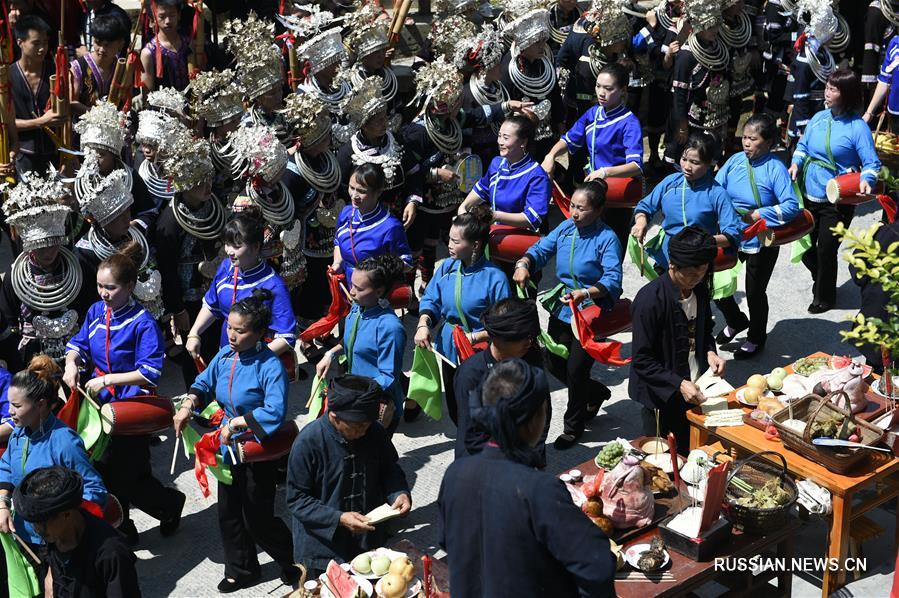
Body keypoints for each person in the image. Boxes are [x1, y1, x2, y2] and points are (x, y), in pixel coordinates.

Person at [438, 359, 616, 598]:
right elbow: (596, 564)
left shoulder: (455, 474)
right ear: (534, 421)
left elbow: (449, 542)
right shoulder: (539, 489)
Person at [173, 289, 296, 593]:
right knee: (228, 512)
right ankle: (242, 569)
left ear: (259, 333)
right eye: (229, 327)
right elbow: (204, 382)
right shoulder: (226, 356)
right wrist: (188, 405)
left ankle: (291, 558)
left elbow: (275, 410)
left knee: (257, 516)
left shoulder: (270, 365)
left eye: (239, 331)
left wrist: (240, 422)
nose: (231, 335)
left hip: (257, 448)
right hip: (228, 447)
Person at [63, 248, 185, 545]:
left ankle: (169, 505)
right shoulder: (95, 311)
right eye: (100, 286)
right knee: (103, 470)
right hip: (98, 407)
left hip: (130, 410)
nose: (103, 293)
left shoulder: (143, 323)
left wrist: (107, 379)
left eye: (111, 287)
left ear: (130, 287)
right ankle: (122, 526)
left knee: (130, 476)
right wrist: (70, 363)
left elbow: (149, 372)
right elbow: (79, 344)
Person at [514, 181, 623, 449]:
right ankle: (595, 392)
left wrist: (586, 293)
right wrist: (524, 263)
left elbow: (612, 278)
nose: (574, 213)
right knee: (552, 360)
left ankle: (573, 427)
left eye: (581, 209)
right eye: (572, 206)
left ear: (597, 211)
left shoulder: (607, 238)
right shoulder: (566, 228)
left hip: (590, 311)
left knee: (576, 369)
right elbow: (541, 249)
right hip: (563, 305)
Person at [286, 375, 411, 578]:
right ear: (334, 417)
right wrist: (339, 518)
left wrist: (399, 493)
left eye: (367, 425)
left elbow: (390, 469)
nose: (364, 431)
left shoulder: (374, 432)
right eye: (357, 426)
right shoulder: (308, 442)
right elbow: (297, 500)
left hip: (367, 545)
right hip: (323, 550)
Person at [789, 68, 881, 313]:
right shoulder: (819, 117)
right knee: (807, 246)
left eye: (832, 89)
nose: (826, 93)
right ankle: (821, 278)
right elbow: (803, 145)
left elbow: (871, 163)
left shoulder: (857, 127)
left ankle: (825, 297)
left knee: (826, 248)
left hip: (837, 198)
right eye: (827, 87)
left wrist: (866, 180)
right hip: (809, 192)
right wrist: (796, 163)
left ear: (847, 94)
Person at [628, 226, 725, 453]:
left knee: (693, 453)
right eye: (691, 274)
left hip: (695, 388)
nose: (697, 279)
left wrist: (710, 351)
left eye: (702, 272)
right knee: (663, 460)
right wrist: (679, 384)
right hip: (662, 399)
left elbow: (704, 330)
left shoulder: (699, 289)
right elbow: (642, 361)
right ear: (672, 264)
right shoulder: (649, 301)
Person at [0, 357, 107, 558]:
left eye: (16, 406)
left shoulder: (64, 442)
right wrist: (2, 503)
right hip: (26, 535)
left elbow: (94, 490)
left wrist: (60, 522)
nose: (9, 412)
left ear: (40, 405)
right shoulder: (19, 434)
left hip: (58, 544)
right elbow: (5, 467)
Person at [713, 114, 800, 358]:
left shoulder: (776, 168)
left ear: (769, 142)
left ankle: (756, 337)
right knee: (716, 282)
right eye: (745, 137)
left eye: (753, 139)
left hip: (762, 237)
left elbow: (791, 206)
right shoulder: (734, 161)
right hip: (731, 233)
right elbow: (716, 190)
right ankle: (735, 319)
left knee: (754, 291)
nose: (746, 143)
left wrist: (759, 214)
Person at [414, 206, 511, 423]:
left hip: (481, 351)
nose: (449, 246)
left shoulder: (494, 278)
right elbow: (431, 299)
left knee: (482, 408)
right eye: (448, 239)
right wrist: (423, 324)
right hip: (450, 347)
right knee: (457, 407)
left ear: (475, 245)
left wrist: (476, 337)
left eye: (456, 242)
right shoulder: (446, 267)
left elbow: (504, 323)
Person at [542, 62, 643, 247]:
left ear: (622, 90)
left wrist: (605, 172)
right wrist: (550, 156)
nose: (601, 93)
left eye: (608, 88)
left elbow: (636, 166)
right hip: (593, 191)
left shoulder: (629, 122)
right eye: (598, 86)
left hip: (615, 197)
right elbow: (570, 138)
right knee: (588, 246)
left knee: (611, 248)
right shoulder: (592, 114)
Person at [153, 131, 225, 388]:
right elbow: (166, 268)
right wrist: (177, 308)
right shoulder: (170, 222)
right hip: (188, 296)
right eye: (199, 182)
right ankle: (198, 397)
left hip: (215, 286)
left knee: (219, 342)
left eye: (208, 179)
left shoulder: (212, 206)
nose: (207, 186)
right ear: (185, 185)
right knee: (195, 348)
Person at [13, 466, 141, 598]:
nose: (37, 529)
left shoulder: (111, 553)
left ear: (66, 514)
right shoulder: (56, 534)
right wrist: (50, 578)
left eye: (41, 522)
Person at [185, 214, 297, 360]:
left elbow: (286, 337)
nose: (229, 251)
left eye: (237, 246)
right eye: (227, 244)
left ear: (256, 247)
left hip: (256, 366)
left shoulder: (273, 285)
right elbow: (212, 305)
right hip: (226, 357)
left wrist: (251, 361)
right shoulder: (226, 268)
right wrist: (194, 333)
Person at [316, 255, 407, 433]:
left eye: (359, 288)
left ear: (379, 291)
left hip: (374, 405)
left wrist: (354, 394)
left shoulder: (390, 327)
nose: (351, 291)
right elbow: (352, 340)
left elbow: (388, 377)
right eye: (352, 284)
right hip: (355, 397)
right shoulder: (358, 308)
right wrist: (330, 354)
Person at [453, 297, 549, 464]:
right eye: (521, 337)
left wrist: (532, 458)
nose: (529, 342)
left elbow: (542, 415)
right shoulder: (471, 374)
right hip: (483, 465)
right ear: (497, 338)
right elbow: (471, 433)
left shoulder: (531, 361)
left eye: (530, 336)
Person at [631, 133, 741, 268]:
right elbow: (645, 206)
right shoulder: (670, 182)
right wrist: (641, 222)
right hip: (666, 258)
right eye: (684, 159)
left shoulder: (717, 193)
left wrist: (703, 242)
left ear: (708, 164)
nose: (687, 166)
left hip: (697, 264)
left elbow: (732, 234)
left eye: (695, 162)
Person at [457, 115, 551, 234]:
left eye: (506, 138)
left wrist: (496, 216)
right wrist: (463, 208)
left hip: (521, 243)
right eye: (499, 136)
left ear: (523, 142)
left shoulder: (537, 176)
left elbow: (532, 218)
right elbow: (481, 190)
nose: (500, 142)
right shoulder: (497, 163)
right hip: (494, 236)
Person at [332, 163, 413, 284]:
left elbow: (406, 262)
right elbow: (338, 241)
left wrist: (376, 272)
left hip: (374, 290)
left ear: (378, 192)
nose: (354, 195)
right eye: (351, 188)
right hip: (347, 283)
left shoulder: (390, 226)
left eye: (361, 191)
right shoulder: (346, 213)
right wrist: (337, 263)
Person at [10, 15, 61, 176]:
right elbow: (5, 123)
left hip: (54, 153)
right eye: (36, 43)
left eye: (45, 42)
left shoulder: (54, 71)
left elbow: (64, 116)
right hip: (22, 155)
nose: (42, 48)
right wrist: (41, 122)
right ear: (20, 42)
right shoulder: (7, 77)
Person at [70, 13, 128, 113]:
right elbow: (72, 102)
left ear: (121, 44)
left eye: (107, 45)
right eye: (97, 43)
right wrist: (96, 114)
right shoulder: (78, 67)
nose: (101, 49)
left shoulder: (124, 67)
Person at [140, 0, 190, 91]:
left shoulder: (189, 44)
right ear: (154, 18)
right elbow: (147, 93)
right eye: (162, 16)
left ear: (179, 15)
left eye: (172, 15)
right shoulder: (148, 53)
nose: (168, 21)